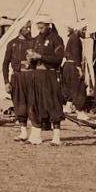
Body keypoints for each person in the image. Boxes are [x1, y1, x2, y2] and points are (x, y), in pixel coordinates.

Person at [24, 13, 65, 145]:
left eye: (42, 26)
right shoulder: (37, 39)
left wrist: (40, 56)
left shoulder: (56, 39)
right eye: (38, 26)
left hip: (49, 75)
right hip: (37, 75)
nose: (39, 28)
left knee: (52, 104)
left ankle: (56, 137)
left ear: (48, 25)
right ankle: (36, 136)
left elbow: (58, 59)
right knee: (35, 103)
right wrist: (30, 59)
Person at [4, 20, 34, 141]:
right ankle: (23, 132)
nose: (28, 30)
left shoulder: (34, 42)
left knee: (33, 104)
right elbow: (5, 64)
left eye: (29, 28)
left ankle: (34, 133)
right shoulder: (12, 44)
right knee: (19, 104)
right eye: (26, 28)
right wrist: (6, 82)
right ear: (20, 28)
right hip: (17, 77)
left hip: (31, 76)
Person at [61, 21, 89, 114]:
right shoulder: (76, 40)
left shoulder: (71, 38)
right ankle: (80, 111)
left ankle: (68, 107)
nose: (85, 31)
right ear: (78, 29)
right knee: (79, 88)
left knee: (70, 87)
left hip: (68, 66)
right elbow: (76, 56)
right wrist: (79, 70)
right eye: (83, 29)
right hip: (73, 66)